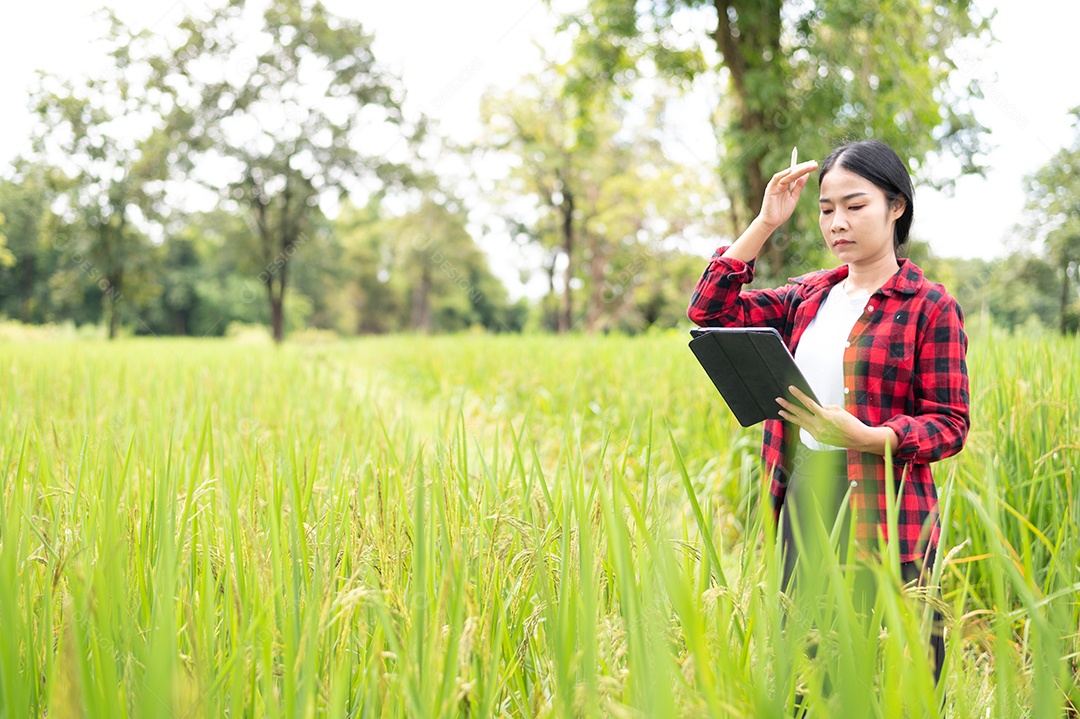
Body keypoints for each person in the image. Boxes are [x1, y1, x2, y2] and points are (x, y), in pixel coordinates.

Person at [686, 140, 970, 689]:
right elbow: (709, 311)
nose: (837, 222)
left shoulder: (929, 305)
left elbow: (949, 423)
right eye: (826, 209)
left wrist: (869, 436)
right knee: (807, 669)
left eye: (855, 205)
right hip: (806, 493)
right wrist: (765, 223)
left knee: (904, 672)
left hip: (889, 502)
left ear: (896, 206)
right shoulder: (807, 296)